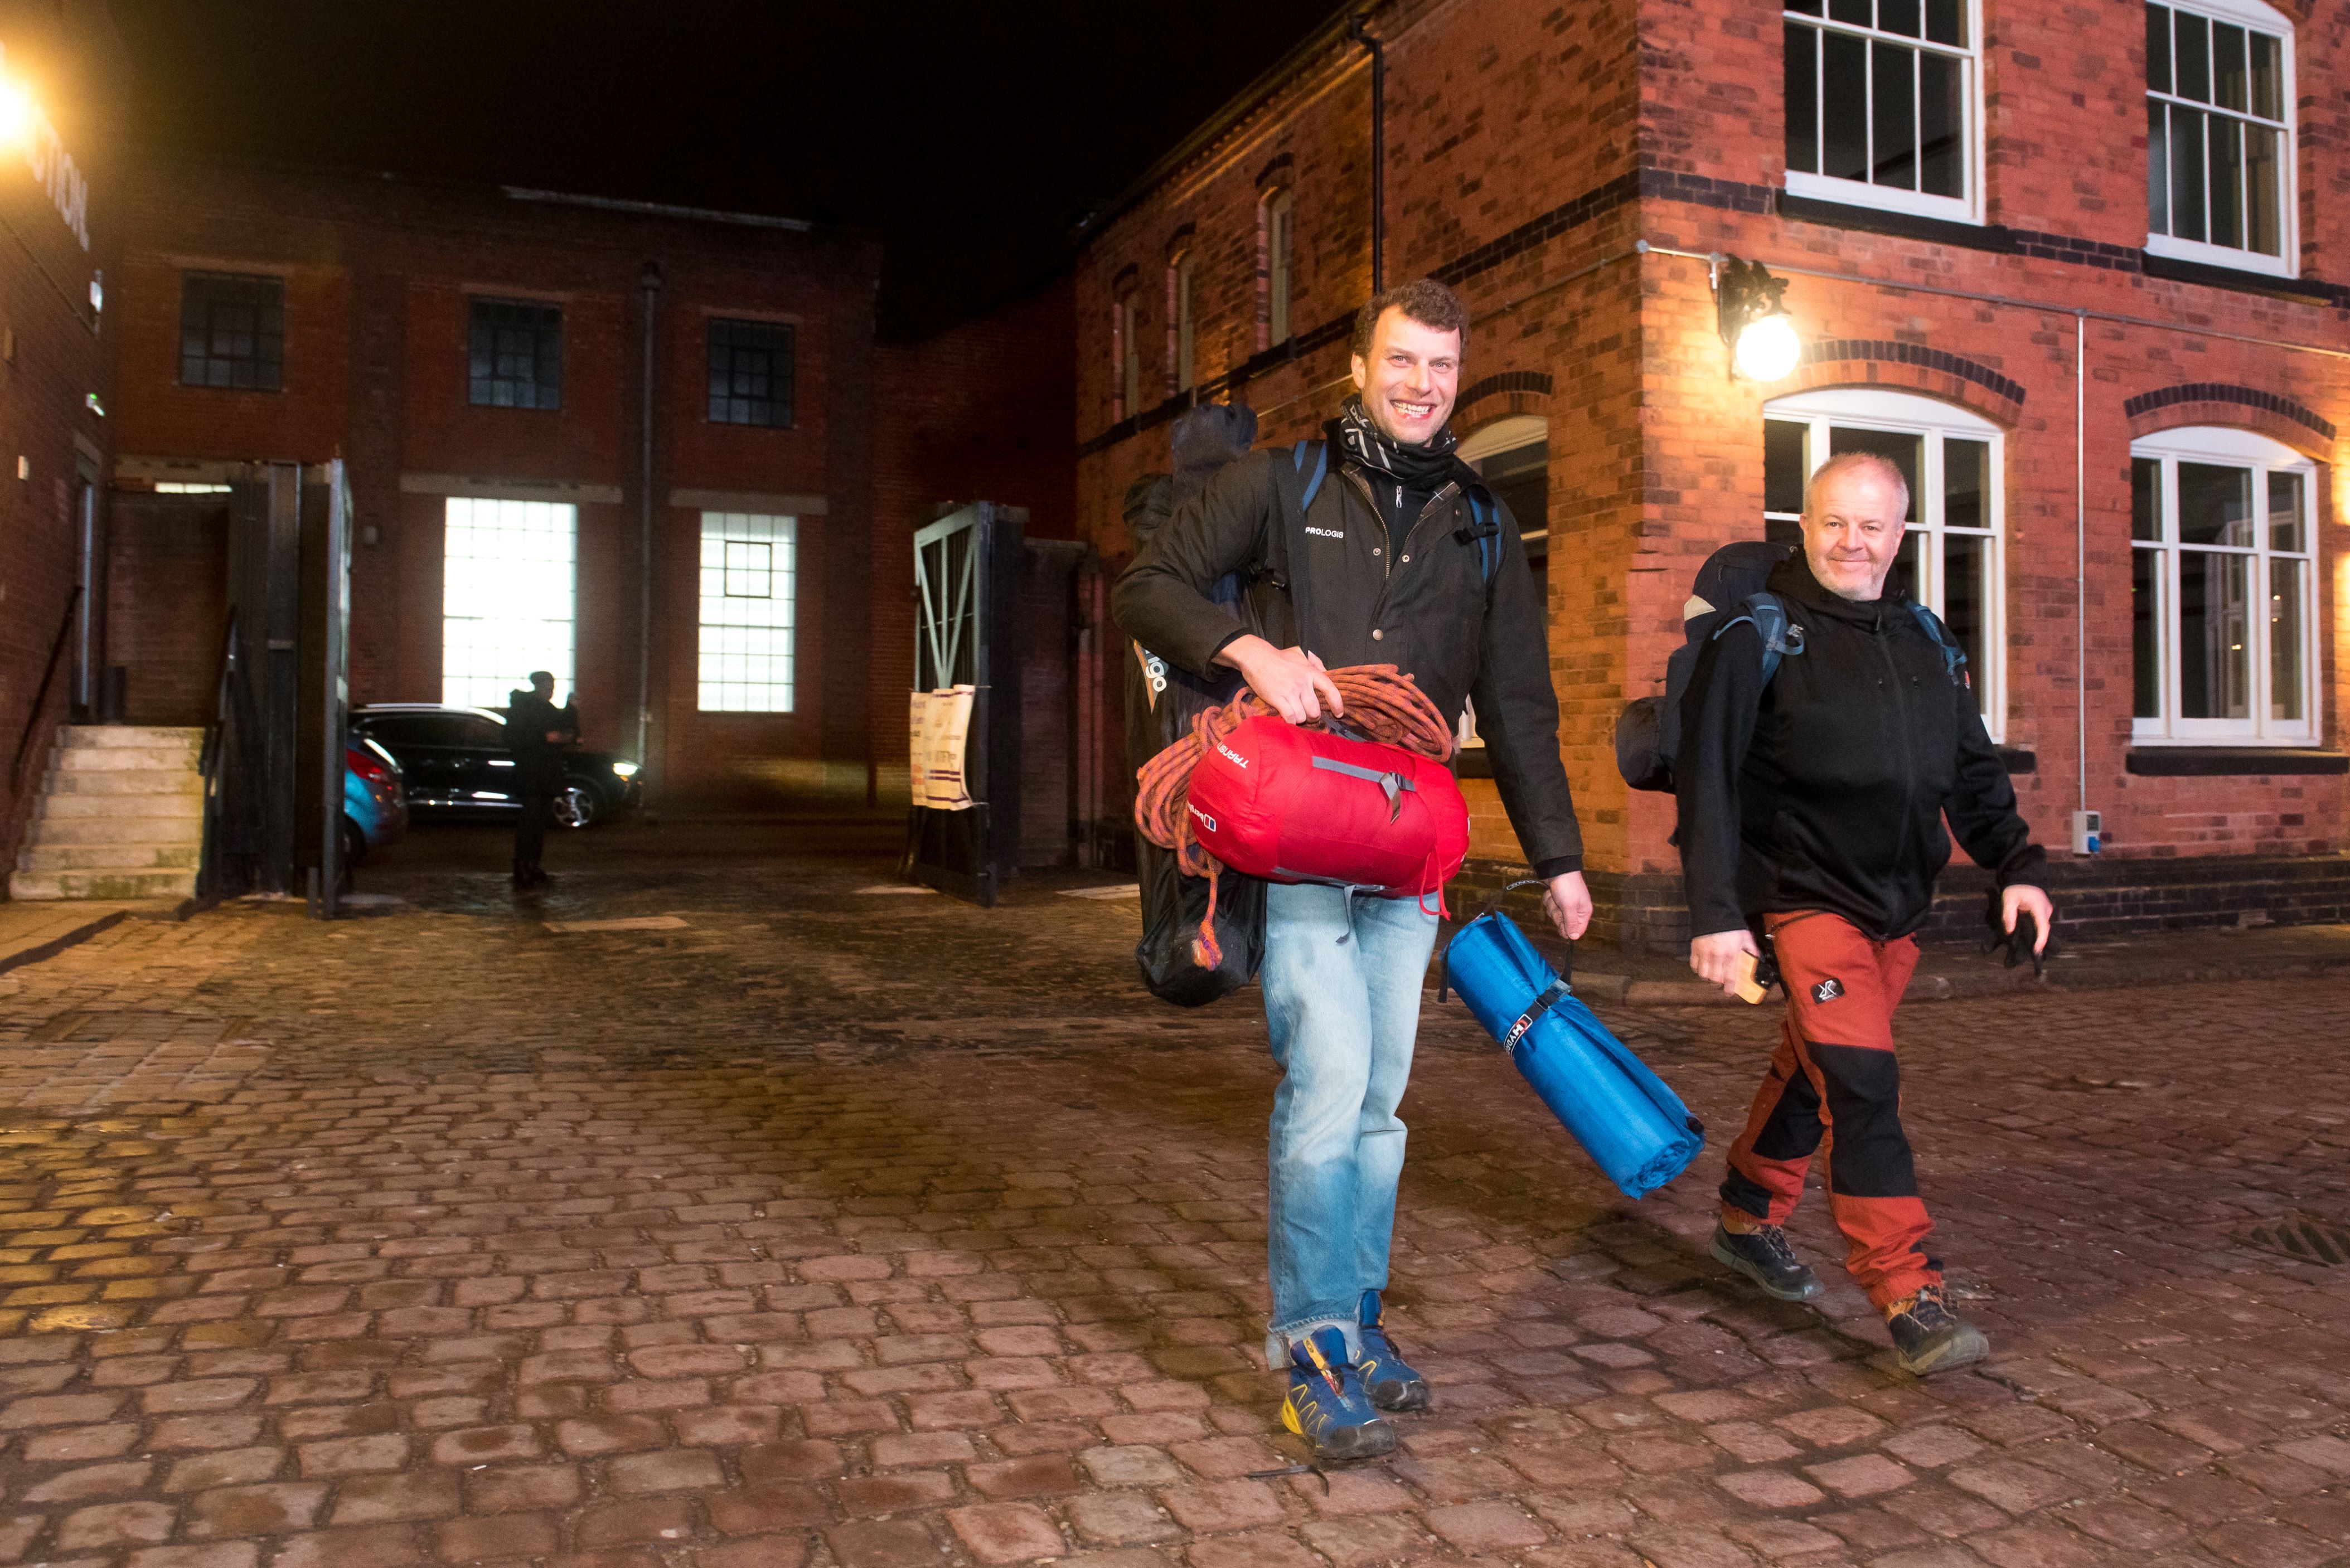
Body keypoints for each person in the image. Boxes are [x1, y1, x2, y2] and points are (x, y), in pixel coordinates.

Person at [1115, 279, 1589, 1458]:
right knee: (1327, 1077)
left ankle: (1360, 1315)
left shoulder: (1481, 523)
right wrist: (1250, 652)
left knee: (1377, 1098)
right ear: (1357, 364)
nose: (1422, 384)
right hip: (1299, 837)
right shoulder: (1283, 483)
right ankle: (1312, 1339)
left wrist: (1562, 855)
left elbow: (1518, 703)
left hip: (1408, 844)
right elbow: (1148, 583)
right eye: (1402, 360)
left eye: (1441, 365)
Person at [1676, 450, 2055, 1376]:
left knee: (1818, 1067)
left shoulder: (1926, 638)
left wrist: (2016, 863)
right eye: (1834, 522)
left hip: (1898, 906)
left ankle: (1745, 1210)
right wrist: (1718, 914)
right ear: (1805, 525)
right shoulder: (1758, 635)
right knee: (1864, 1084)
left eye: (1872, 524)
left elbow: (1968, 768)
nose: (1853, 541)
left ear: (1900, 534)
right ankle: (1906, 1288)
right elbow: (1708, 781)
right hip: (1806, 897)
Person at [507, 671, 574, 887]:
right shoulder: (522, 709)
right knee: (530, 823)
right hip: (532, 774)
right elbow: (512, 738)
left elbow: (563, 731)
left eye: (552, 686)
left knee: (539, 823)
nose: (550, 691)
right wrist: (545, 738)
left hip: (545, 774)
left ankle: (532, 865)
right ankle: (522, 867)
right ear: (537, 686)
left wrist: (570, 713)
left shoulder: (547, 710)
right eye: (547, 686)